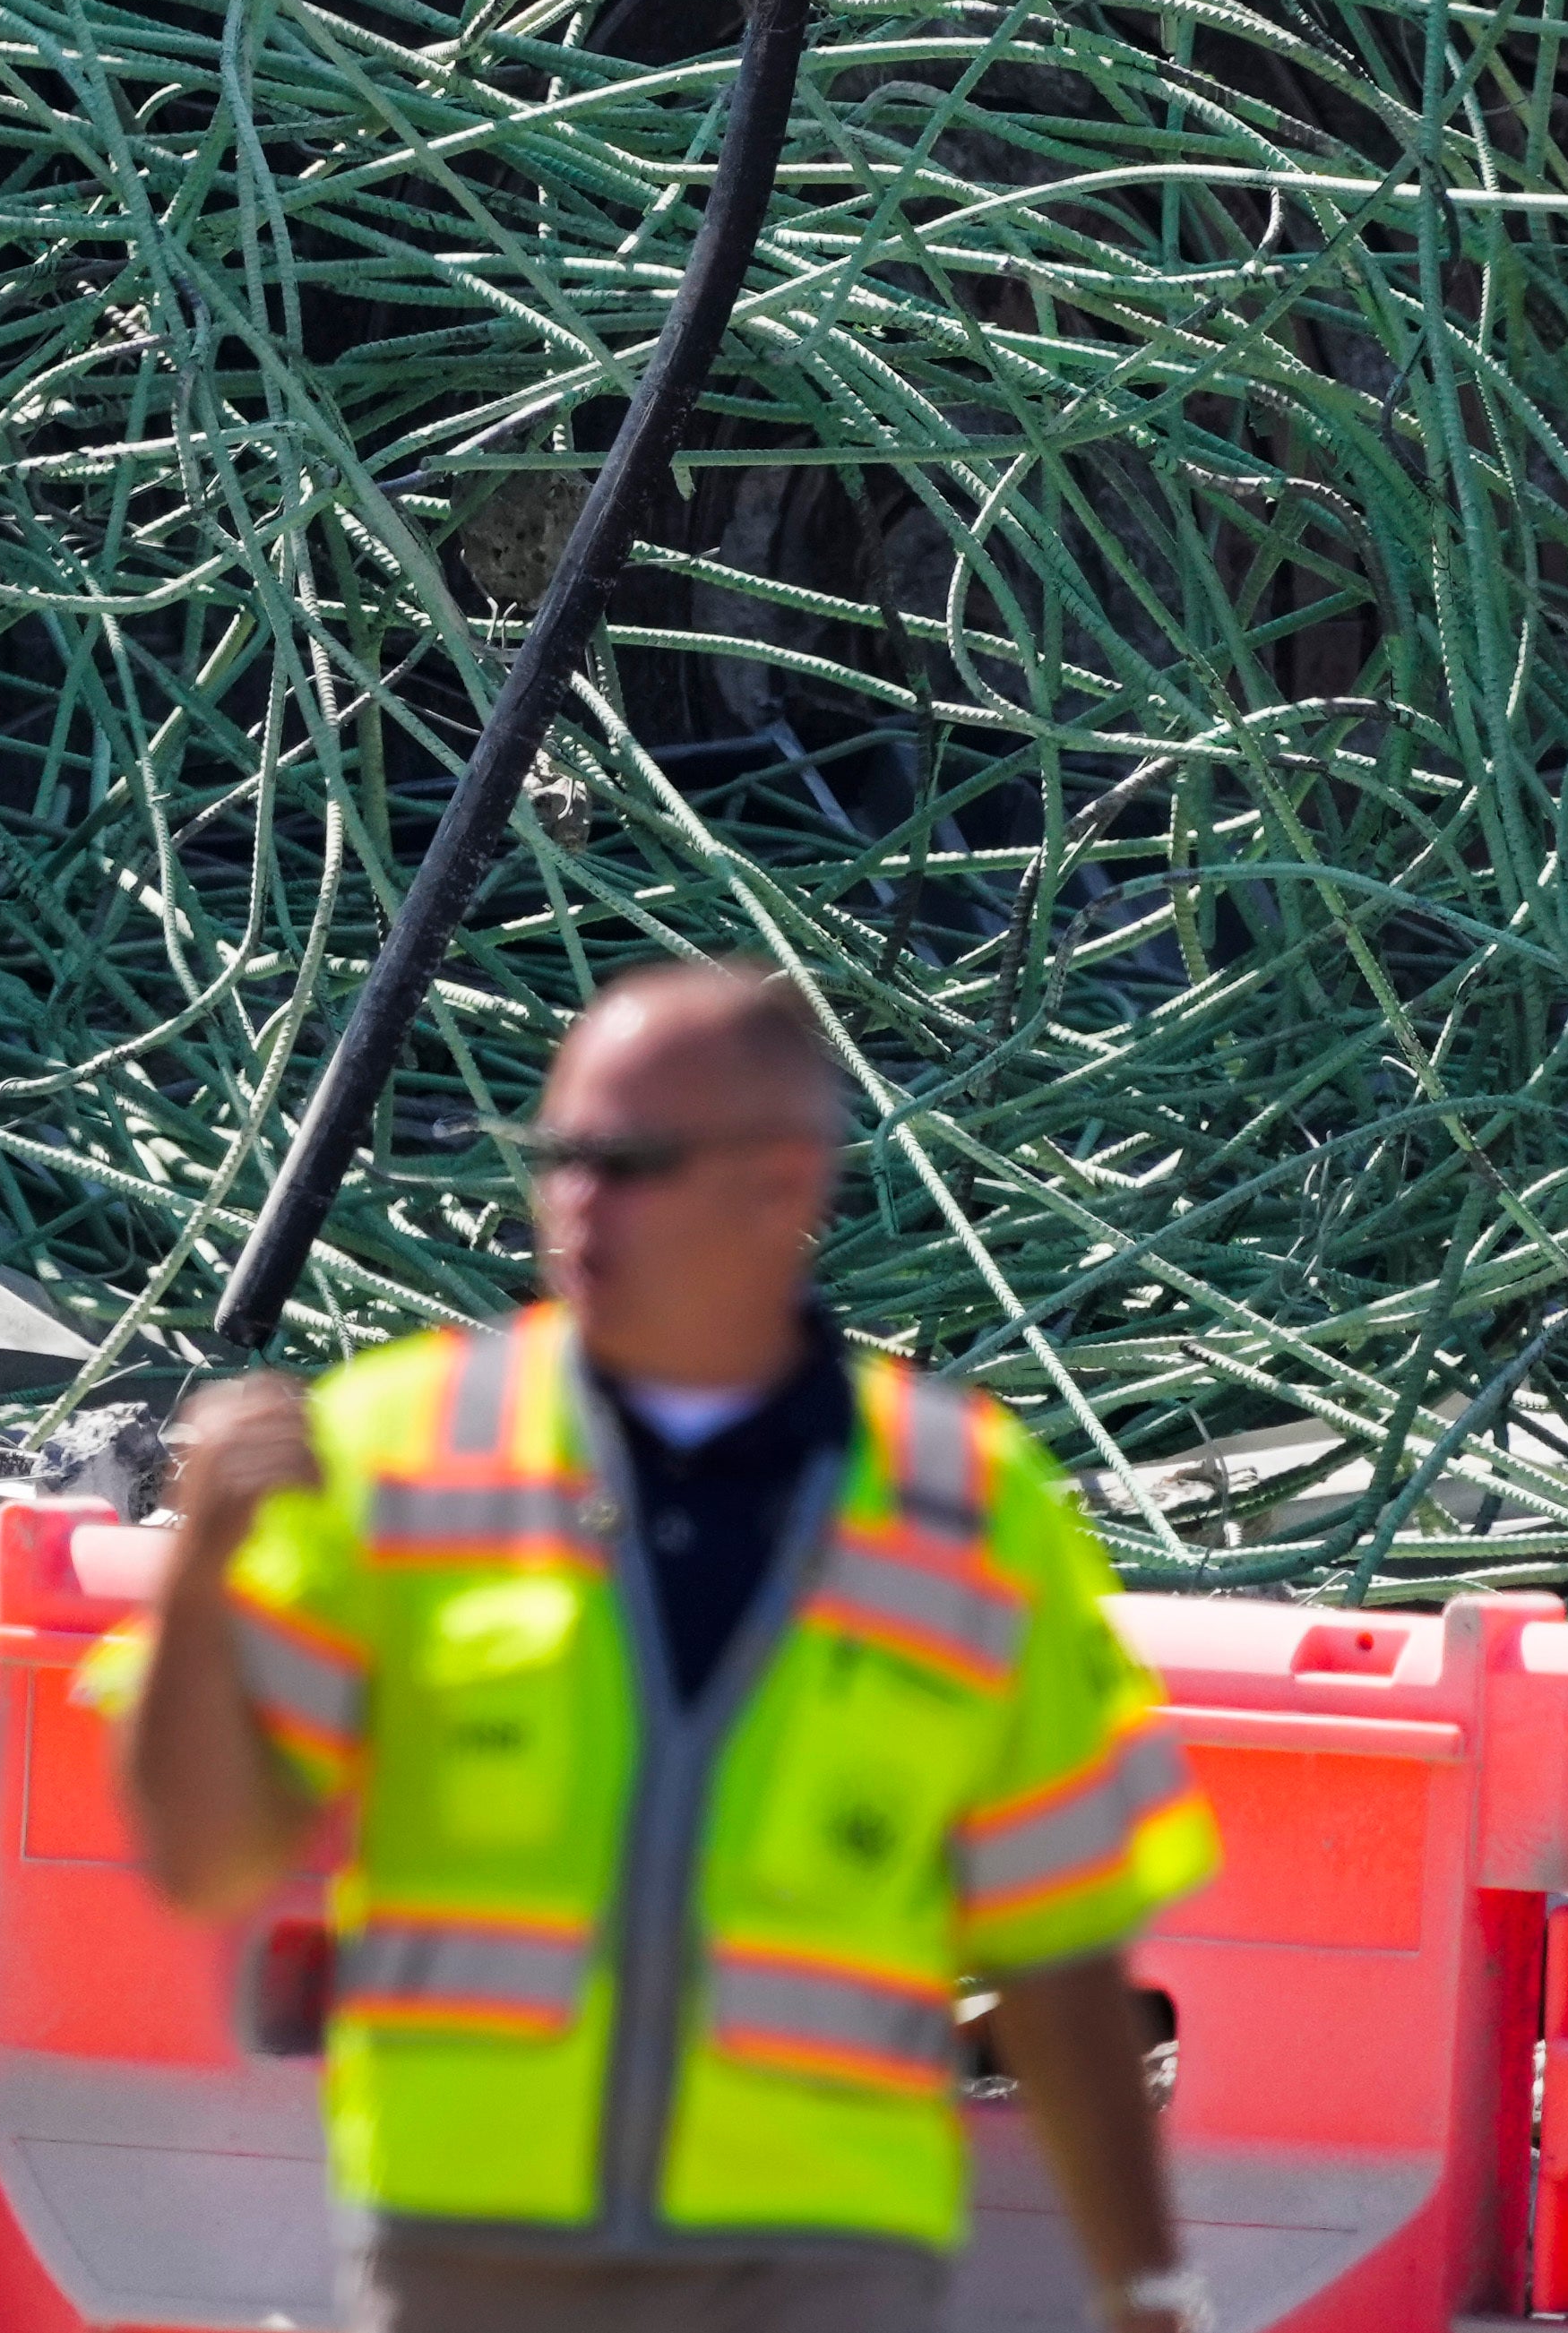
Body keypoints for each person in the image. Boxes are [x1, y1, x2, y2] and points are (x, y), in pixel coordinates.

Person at [114, 960, 1218, 2333]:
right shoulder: (395, 1452)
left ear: (781, 1184)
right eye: (558, 1155)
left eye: (626, 1161)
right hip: (467, 2261)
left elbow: (1061, 1956)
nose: (574, 1201)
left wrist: (1149, 2289)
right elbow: (203, 1856)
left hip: (814, 2268)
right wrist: (203, 1577)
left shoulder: (968, 1514)